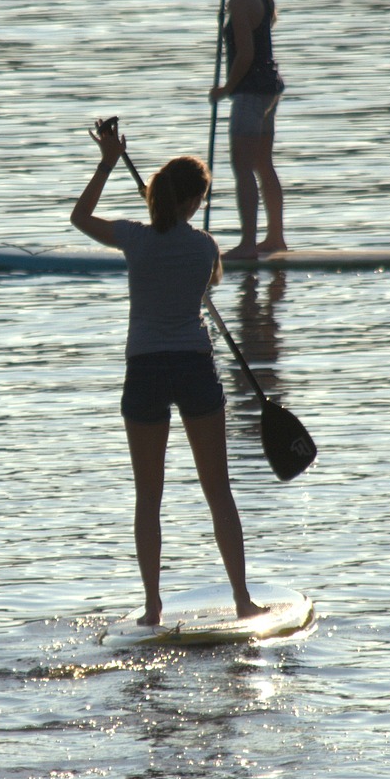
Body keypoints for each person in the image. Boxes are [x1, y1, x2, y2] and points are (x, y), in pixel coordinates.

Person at [71, 118, 265, 625]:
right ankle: (243, 600)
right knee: (217, 488)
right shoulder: (205, 247)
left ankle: (153, 607)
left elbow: (80, 217)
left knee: (148, 497)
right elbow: (208, 275)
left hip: (146, 371)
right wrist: (176, 223)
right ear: (193, 203)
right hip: (194, 368)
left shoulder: (133, 238)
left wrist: (108, 162)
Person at [207, 0, 288, 259]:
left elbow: (245, 55)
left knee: (242, 167)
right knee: (262, 164)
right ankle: (275, 238)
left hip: (251, 92)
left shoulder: (240, 2)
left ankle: (248, 244)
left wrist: (225, 89)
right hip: (269, 88)